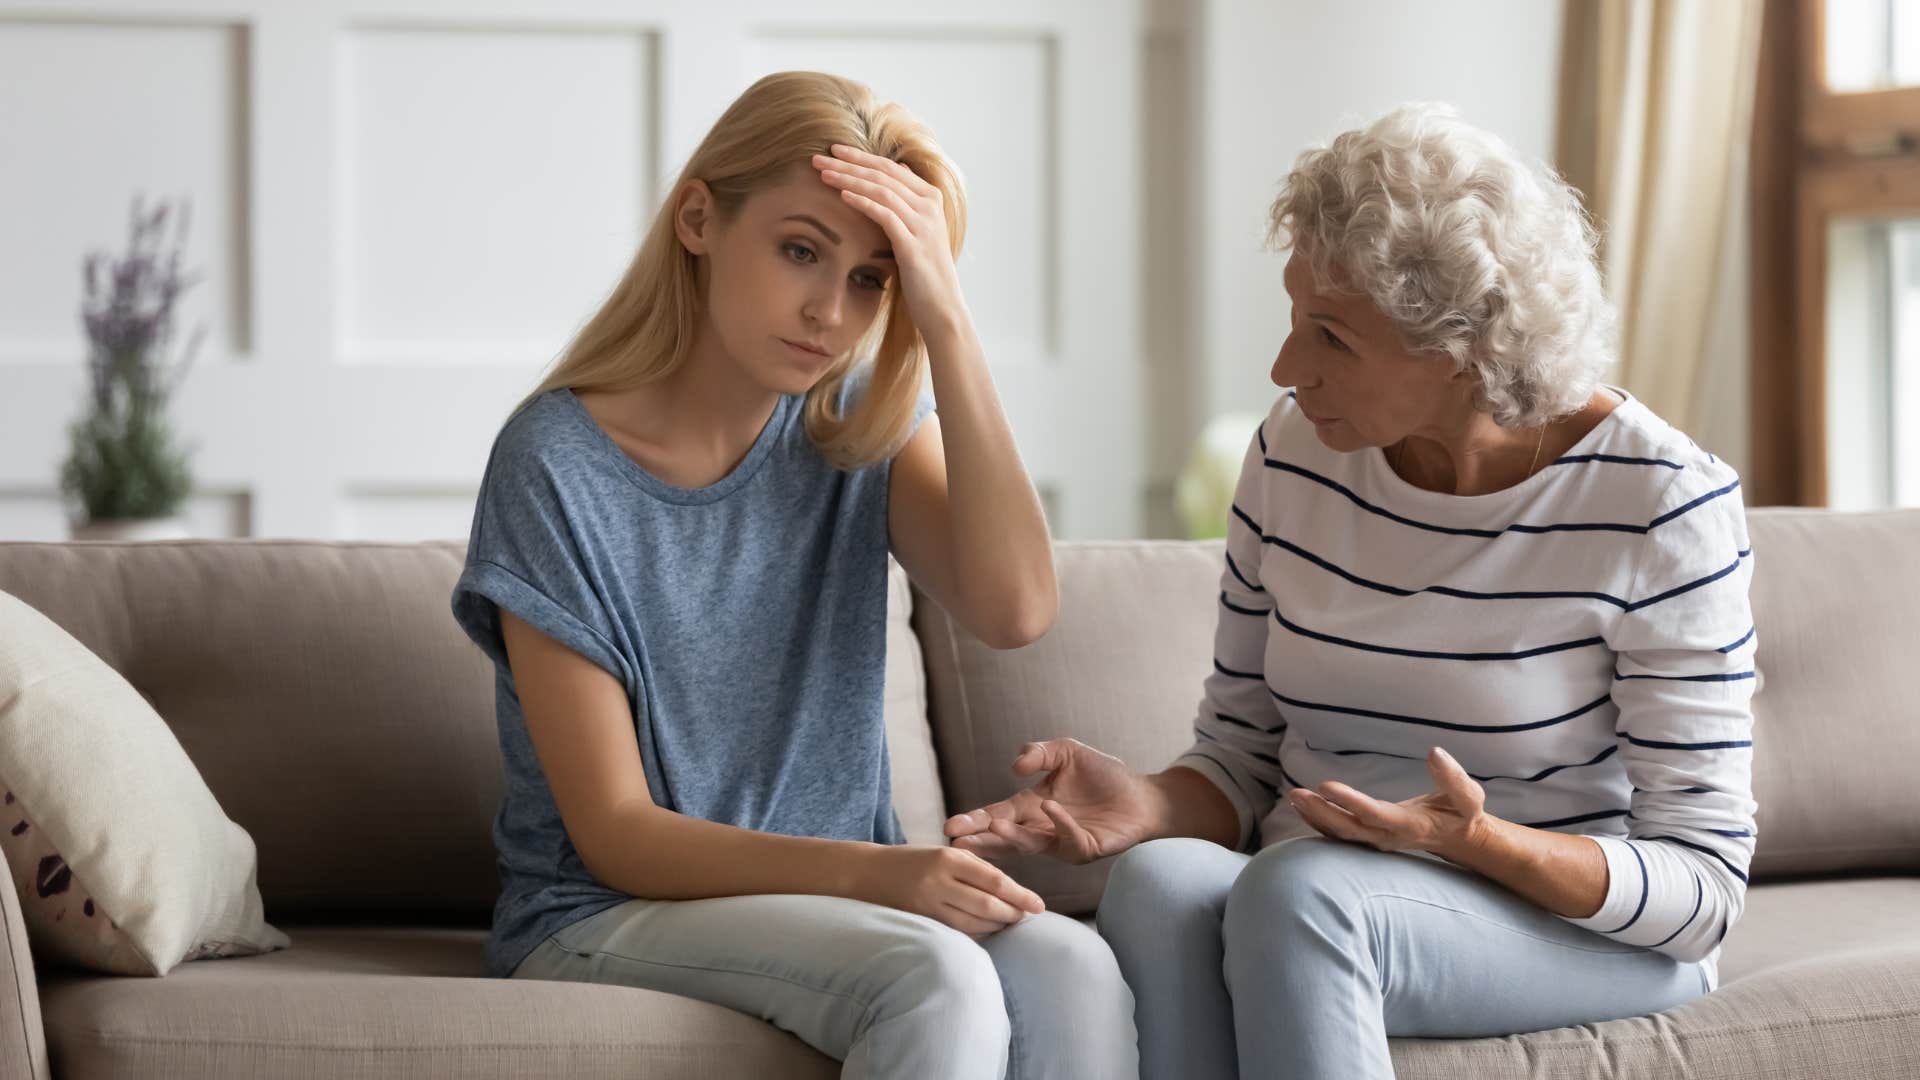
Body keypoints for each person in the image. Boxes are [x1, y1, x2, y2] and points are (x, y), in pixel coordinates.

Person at [945, 101, 1757, 1080]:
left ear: (1464, 349)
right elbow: (1243, 761)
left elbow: (1703, 887)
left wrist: (1481, 843)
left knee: (1304, 894)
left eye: (1331, 337)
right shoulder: (1293, 456)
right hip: (1315, 887)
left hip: (1575, 929)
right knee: (1160, 882)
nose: (1288, 371)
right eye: (1296, 323)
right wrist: (1152, 802)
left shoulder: (1661, 501)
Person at [450, 70, 1136, 1079]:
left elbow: (1017, 608)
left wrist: (944, 317)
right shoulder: (555, 463)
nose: (830, 310)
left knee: (1075, 969)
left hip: (836, 911)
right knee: (935, 978)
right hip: (608, 914)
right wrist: (881, 875)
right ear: (699, 219)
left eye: (872, 278)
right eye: (800, 251)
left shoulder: (857, 426)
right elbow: (617, 834)